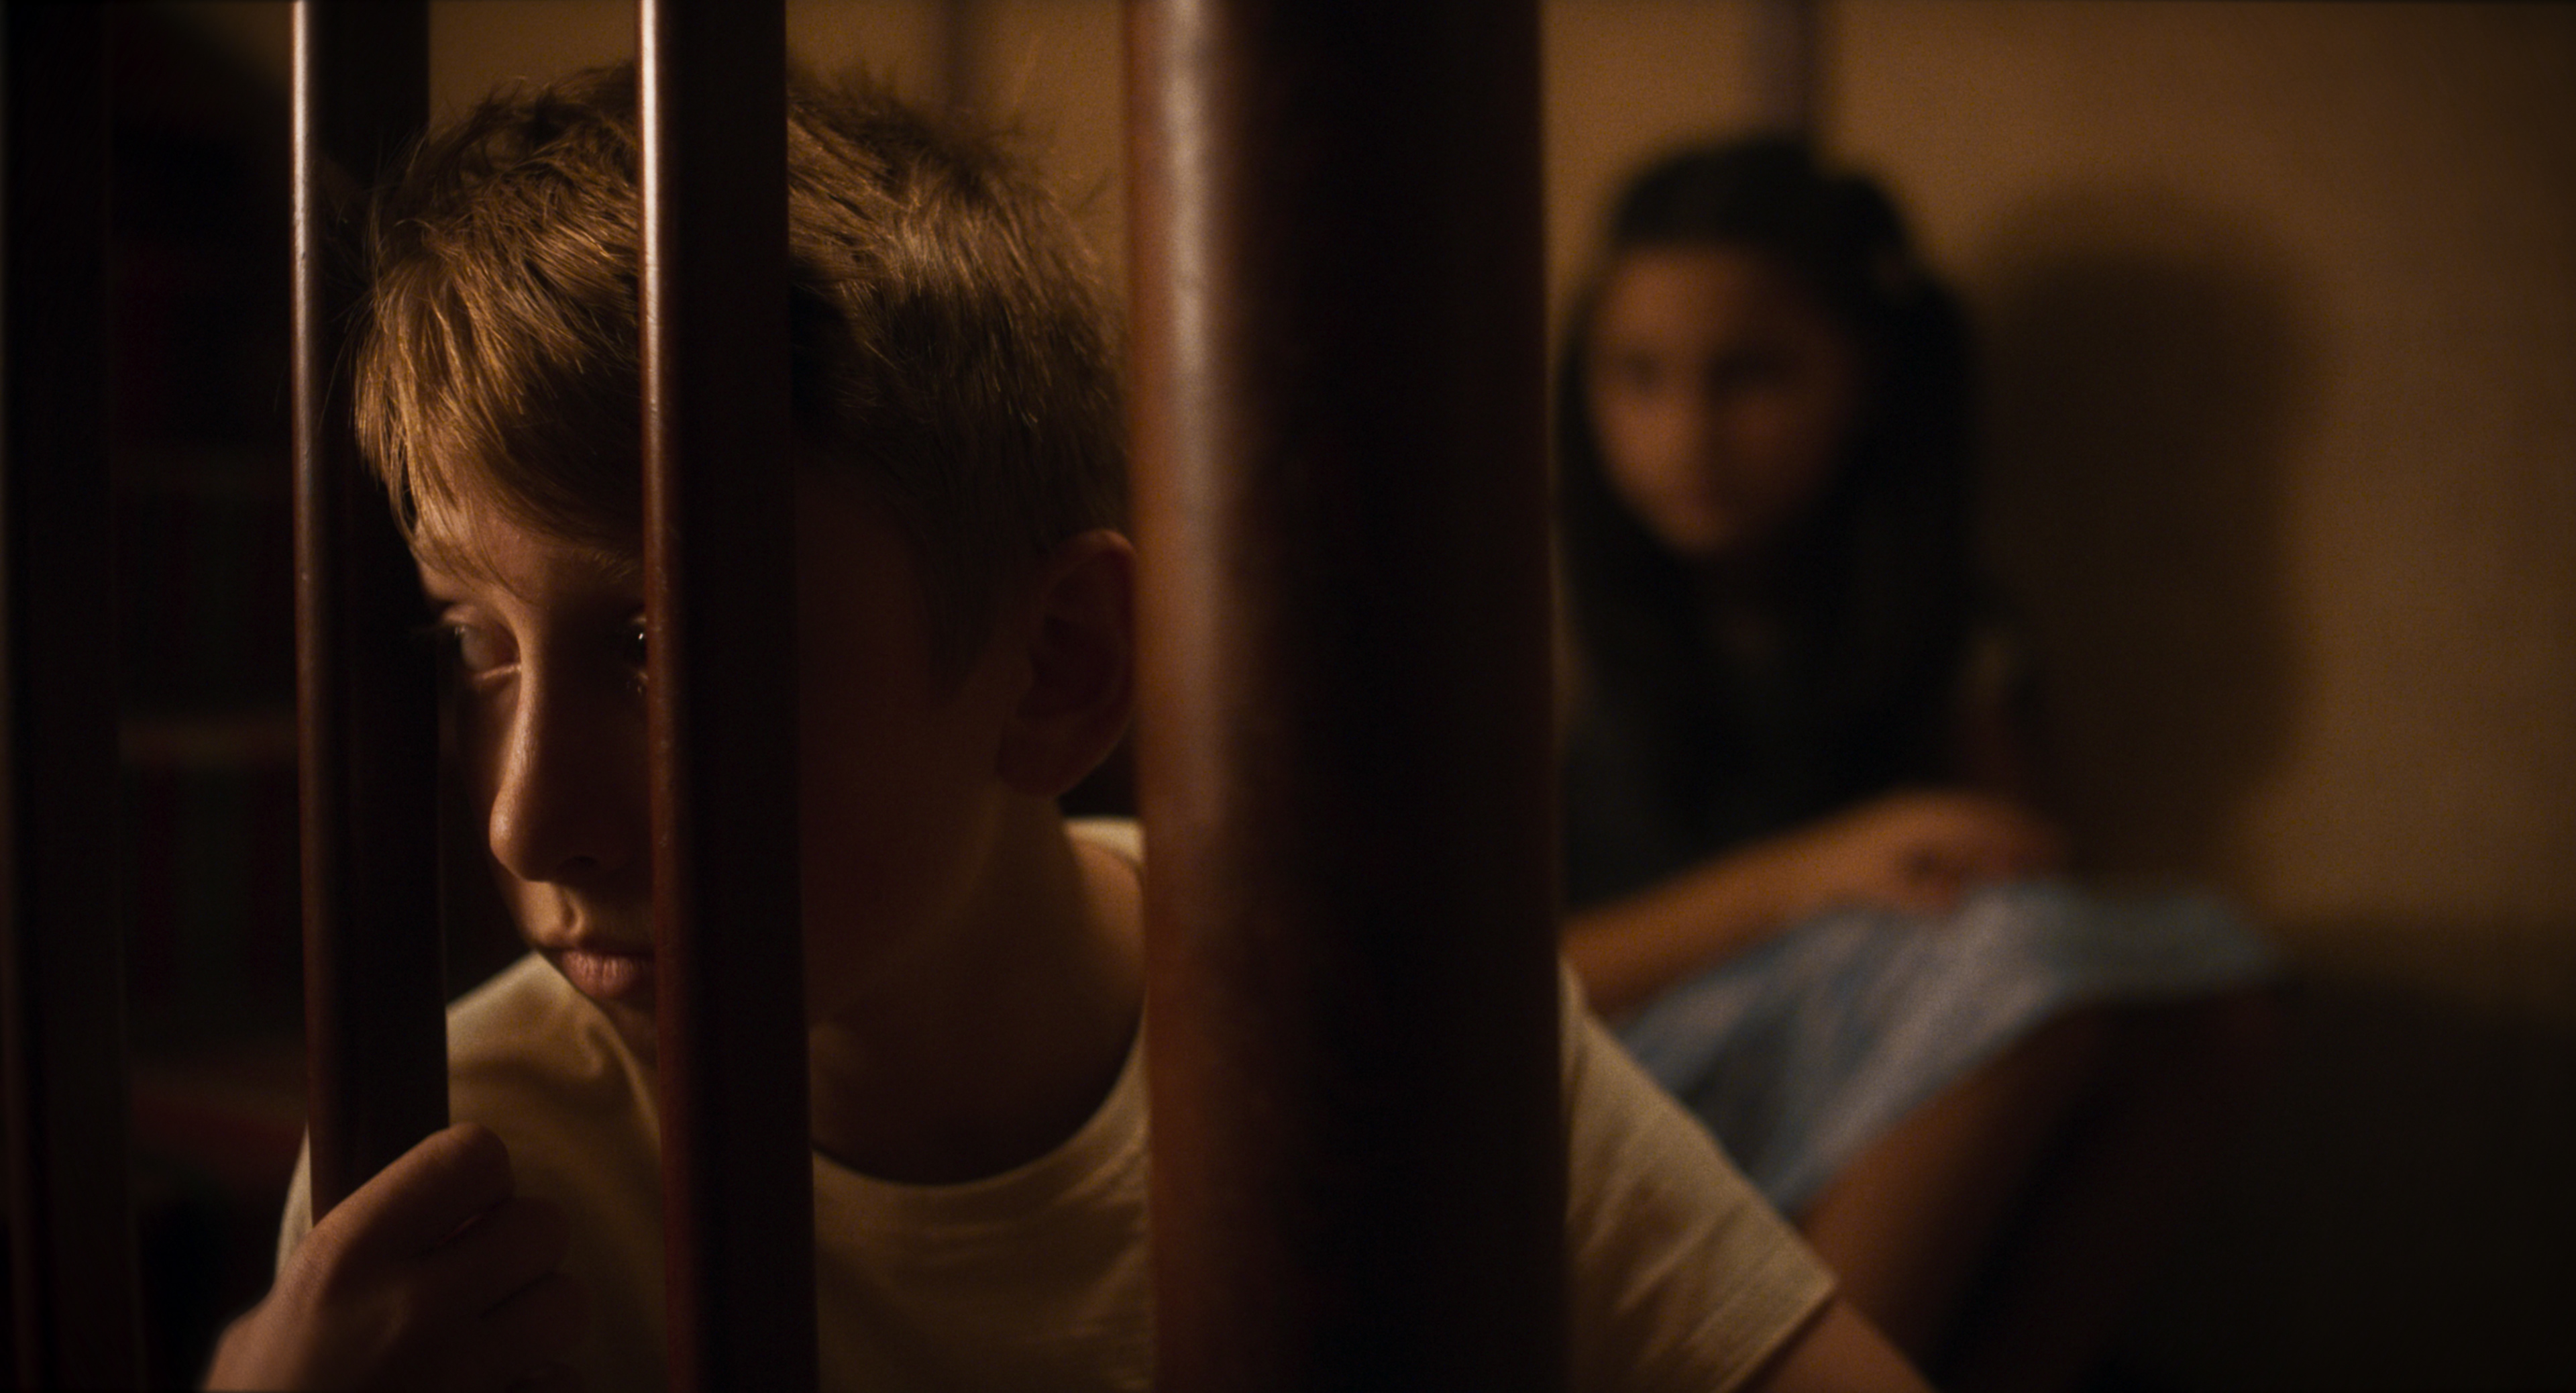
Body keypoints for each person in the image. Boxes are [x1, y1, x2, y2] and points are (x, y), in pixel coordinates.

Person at [203, 66, 1929, 1392]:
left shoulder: (1358, 1016)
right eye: (473, 644)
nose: (520, 822)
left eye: (656, 647)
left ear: (1058, 668)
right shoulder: (473, 1174)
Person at [1553, 137, 2281, 1391]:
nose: (1688, 434)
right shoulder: (1547, 625)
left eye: (1750, 376)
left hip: (1852, 1067)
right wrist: (1809, 877)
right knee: (2021, 987)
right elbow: (1498, 987)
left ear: (1869, 379)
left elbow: (2024, 900)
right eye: (1639, 378)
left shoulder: (1937, 625)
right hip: (1608, 1075)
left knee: (2199, 1008)